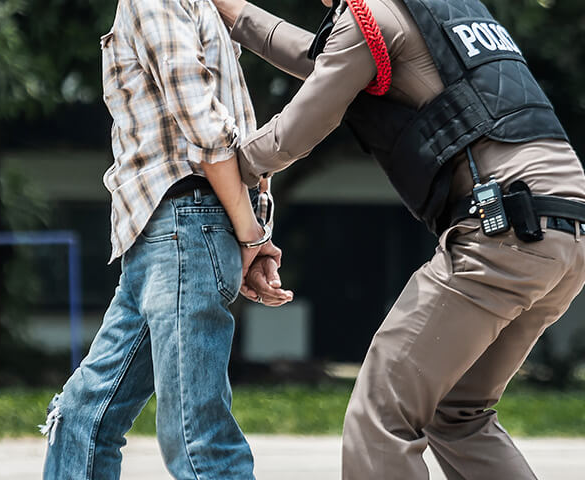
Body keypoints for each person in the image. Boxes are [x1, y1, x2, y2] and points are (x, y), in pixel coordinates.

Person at [213, 0, 585, 478]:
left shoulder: (371, 18)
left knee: (381, 415)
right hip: (564, 231)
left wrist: (221, 168)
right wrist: (238, 13)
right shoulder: (436, 11)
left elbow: (293, 133)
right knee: (459, 413)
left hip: (501, 234)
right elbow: (322, 60)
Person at [40, 0, 292, 478]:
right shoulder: (205, 11)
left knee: (199, 440)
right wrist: (251, 229)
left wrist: (250, 233)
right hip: (162, 235)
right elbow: (235, 129)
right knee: (80, 420)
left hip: (183, 228)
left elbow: (203, 124)